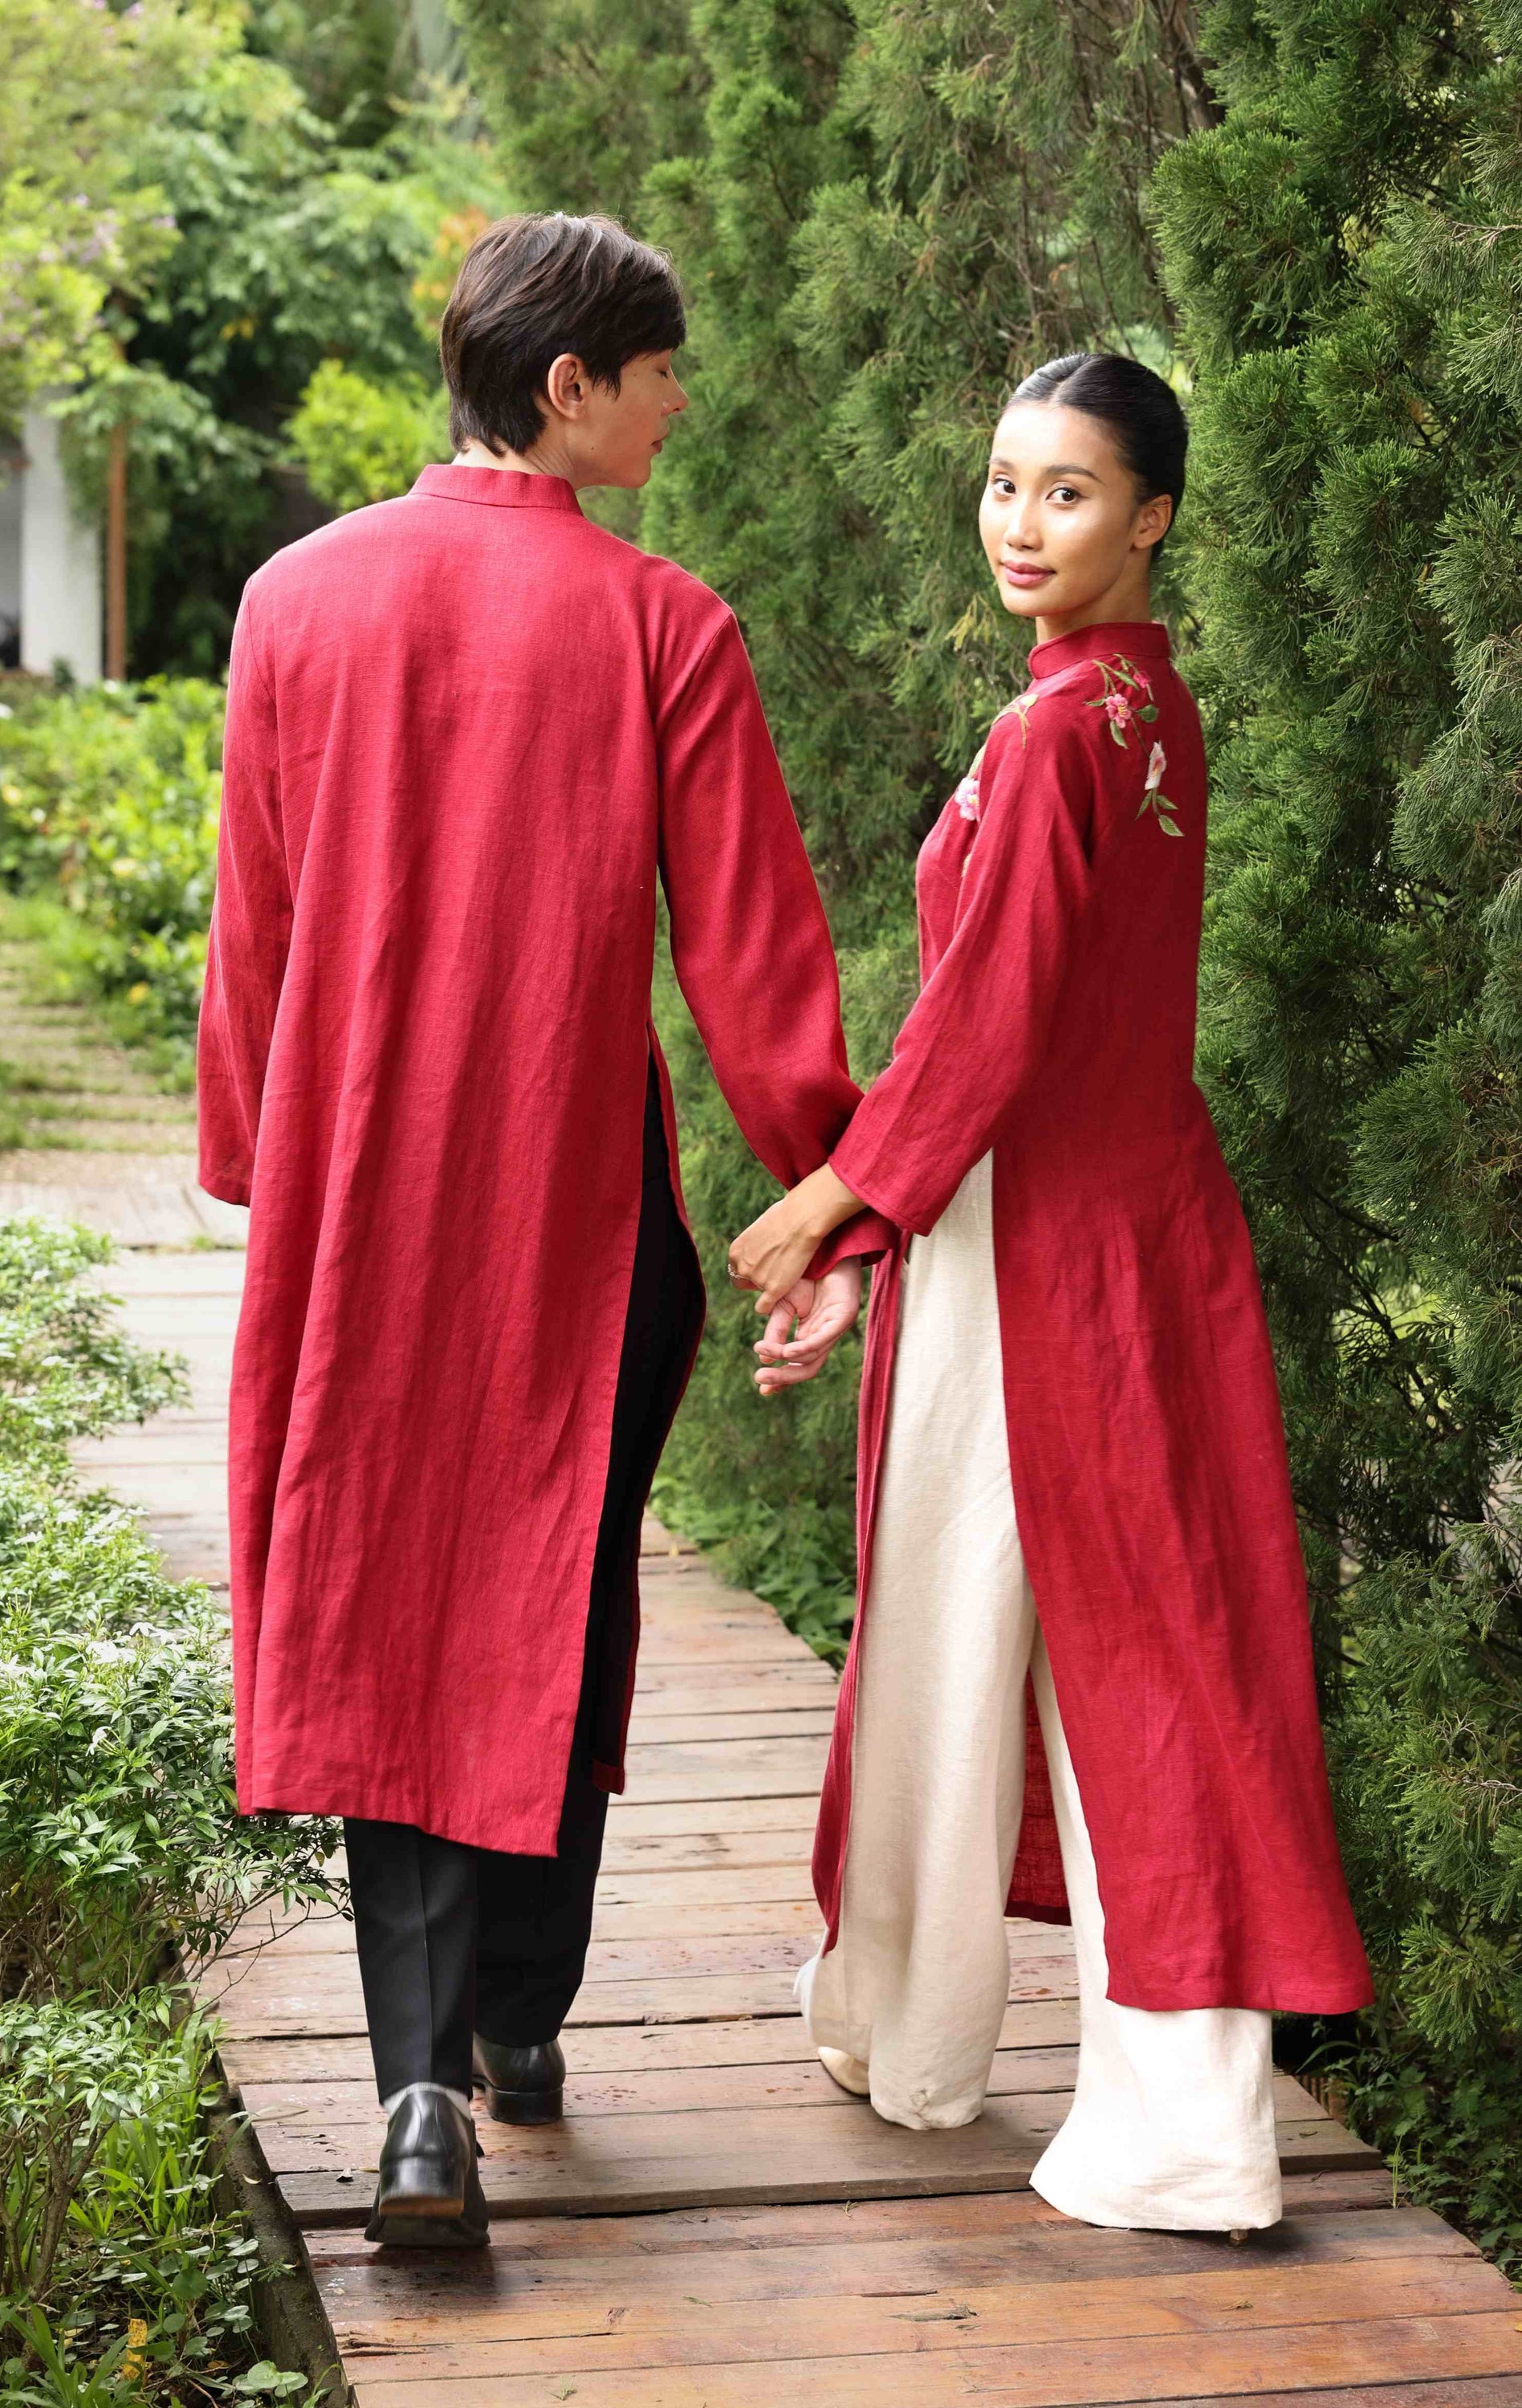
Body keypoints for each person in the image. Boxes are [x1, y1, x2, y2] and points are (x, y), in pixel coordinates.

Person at [197, 212, 879, 2248]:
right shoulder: (664, 624)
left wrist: (262, 1159)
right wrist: (837, 1184)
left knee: (383, 1586)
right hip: (576, 1225)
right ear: (567, 385)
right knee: (550, 1577)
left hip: (356, 1208)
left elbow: (259, 929)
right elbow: (755, 968)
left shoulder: (293, 598)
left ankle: (415, 2091)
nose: (680, 400)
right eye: (659, 369)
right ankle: (521, 2020)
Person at [726, 353, 1373, 2233]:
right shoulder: (1138, 706)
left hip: (1054, 1239)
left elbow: (987, 1015)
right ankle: (911, 2023)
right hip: (1089, 1222)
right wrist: (879, 1233)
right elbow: (1015, 1020)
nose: (1022, 523)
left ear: (1152, 514)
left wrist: (845, 1202)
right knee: (1029, 1618)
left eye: (1069, 492)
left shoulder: (1057, 734)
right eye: (1005, 484)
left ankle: (1173, 2126)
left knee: (1110, 1649)